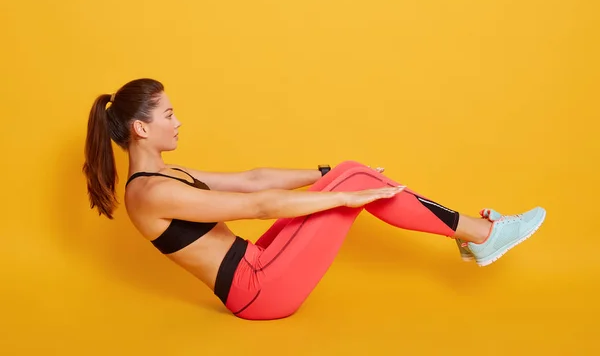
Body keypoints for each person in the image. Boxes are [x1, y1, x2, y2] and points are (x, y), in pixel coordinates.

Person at [83, 78, 546, 320]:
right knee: (356, 181)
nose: (179, 121)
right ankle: (482, 235)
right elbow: (259, 205)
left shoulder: (164, 174)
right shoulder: (152, 191)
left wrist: (327, 174)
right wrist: (345, 197)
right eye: (169, 113)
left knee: (352, 170)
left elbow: (251, 180)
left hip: (260, 265)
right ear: (142, 128)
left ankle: (476, 236)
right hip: (259, 292)